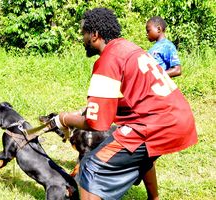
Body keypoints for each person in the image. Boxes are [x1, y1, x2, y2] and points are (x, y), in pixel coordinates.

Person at [45, 8, 197, 200]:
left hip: (157, 124)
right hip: (179, 116)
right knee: (144, 154)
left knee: (91, 166)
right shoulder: (129, 47)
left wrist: (64, 118)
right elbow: (123, 100)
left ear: (94, 35)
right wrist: (86, 111)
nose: (82, 39)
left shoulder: (108, 60)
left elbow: (97, 124)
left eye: (83, 33)